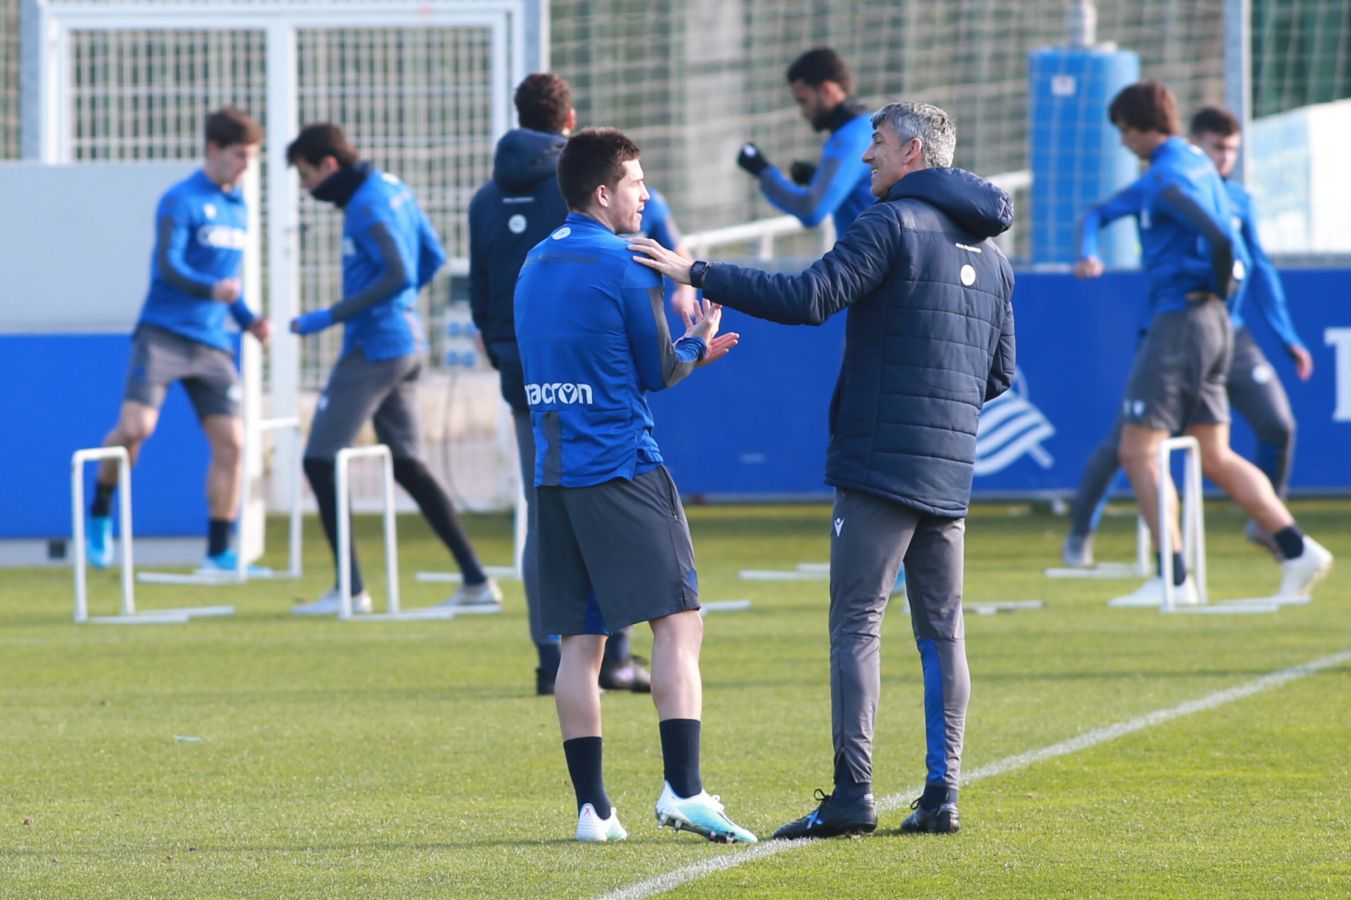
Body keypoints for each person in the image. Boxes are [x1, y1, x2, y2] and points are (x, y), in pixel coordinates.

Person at [635, 100, 1016, 838]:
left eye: (877, 143)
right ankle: (942, 795)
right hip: (949, 466)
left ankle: (851, 796)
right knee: (942, 633)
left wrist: (700, 272)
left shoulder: (890, 223)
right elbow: (997, 375)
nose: (866, 156)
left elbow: (809, 297)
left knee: (857, 624)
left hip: (879, 460)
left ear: (911, 152)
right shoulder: (995, 258)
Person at [514, 126, 754, 844]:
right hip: (621, 466)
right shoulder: (627, 262)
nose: (645, 195)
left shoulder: (534, 262)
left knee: (579, 646)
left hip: (552, 476)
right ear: (602, 193)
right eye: (636, 184)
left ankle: (593, 811)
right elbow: (657, 370)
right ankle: (685, 789)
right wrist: (696, 344)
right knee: (679, 623)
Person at [467, 73, 693, 695]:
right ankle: (615, 655)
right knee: (608, 499)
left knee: (546, 508)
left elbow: (479, 291)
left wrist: (506, 354)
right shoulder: (584, 183)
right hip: (594, 372)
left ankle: (552, 654)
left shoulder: (485, 198)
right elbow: (652, 248)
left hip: (526, 373)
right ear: (568, 122)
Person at [1071, 82, 1332, 606]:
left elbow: (1221, 239)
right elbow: (1098, 214)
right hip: (1216, 325)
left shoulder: (1167, 176)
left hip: (1182, 321)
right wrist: (1220, 292)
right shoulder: (1195, 165)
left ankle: (1173, 577)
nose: (1123, 142)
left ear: (1142, 126)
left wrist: (1214, 284)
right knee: (1213, 453)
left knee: (1137, 449)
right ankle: (1296, 547)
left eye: (1124, 131)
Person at [285, 122, 499, 615]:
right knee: (407, 463)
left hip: (375, 347)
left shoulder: (366, 205)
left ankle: (350, 590)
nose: (307, 188)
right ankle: (476, 580)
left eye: (307, 176)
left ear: (329, 165)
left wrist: (332, 315)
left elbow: (400, 271)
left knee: (319, 459)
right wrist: (400, 306)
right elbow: (432, 257)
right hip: (407, 343)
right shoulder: (391, 186)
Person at [85, 108, 272, 573]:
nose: (246, 166)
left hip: (212, 343)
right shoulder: (180, 200)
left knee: (232, 442)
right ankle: (101, 507)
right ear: (214, 149)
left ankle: (218, 552)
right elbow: (170, 267)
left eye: (251, 157)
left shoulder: (239, 208)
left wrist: (248, 320)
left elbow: (229, 281)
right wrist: (211, 291)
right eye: (240, 155)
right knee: (135, 429)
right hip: (164, 335)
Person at [735, 47, 873, 234]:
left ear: (826, 90)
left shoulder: (849, 139)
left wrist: (764, 173)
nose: (803, 112)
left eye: (803, 101)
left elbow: (811, 209)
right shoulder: (865, 127)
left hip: (873, 253)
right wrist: (816, 177)